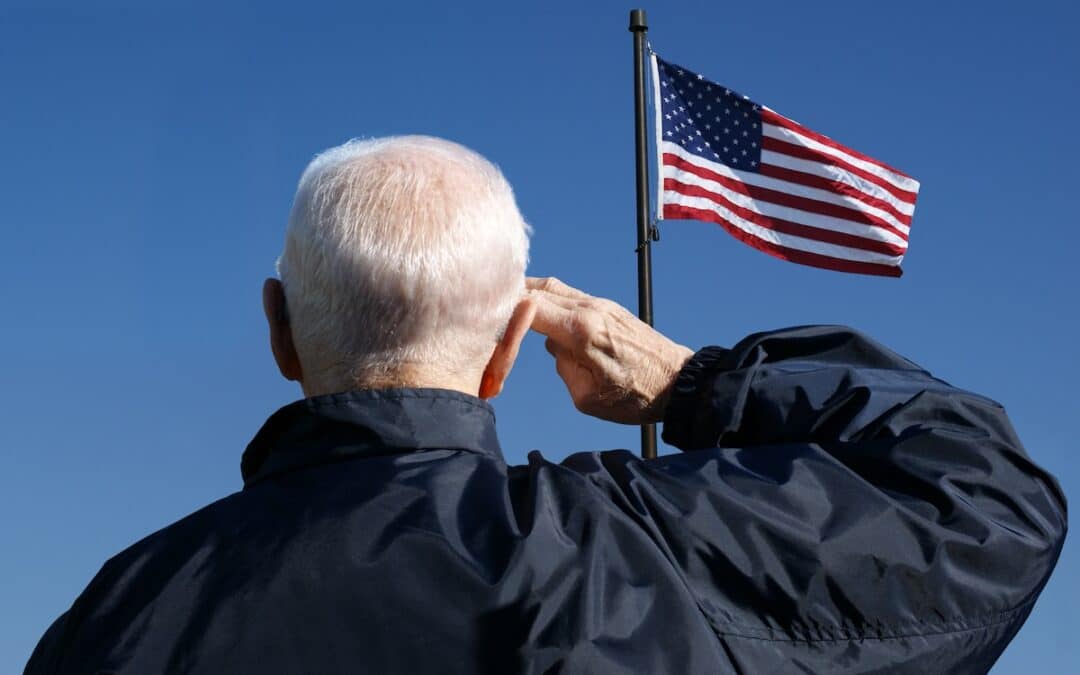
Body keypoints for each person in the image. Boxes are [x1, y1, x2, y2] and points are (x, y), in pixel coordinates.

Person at [25, 136, 1065, 674]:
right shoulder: (629, 557)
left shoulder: (113, 616)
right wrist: (688, 380)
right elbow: (984, 500)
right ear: (511, 350)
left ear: (279, 331)